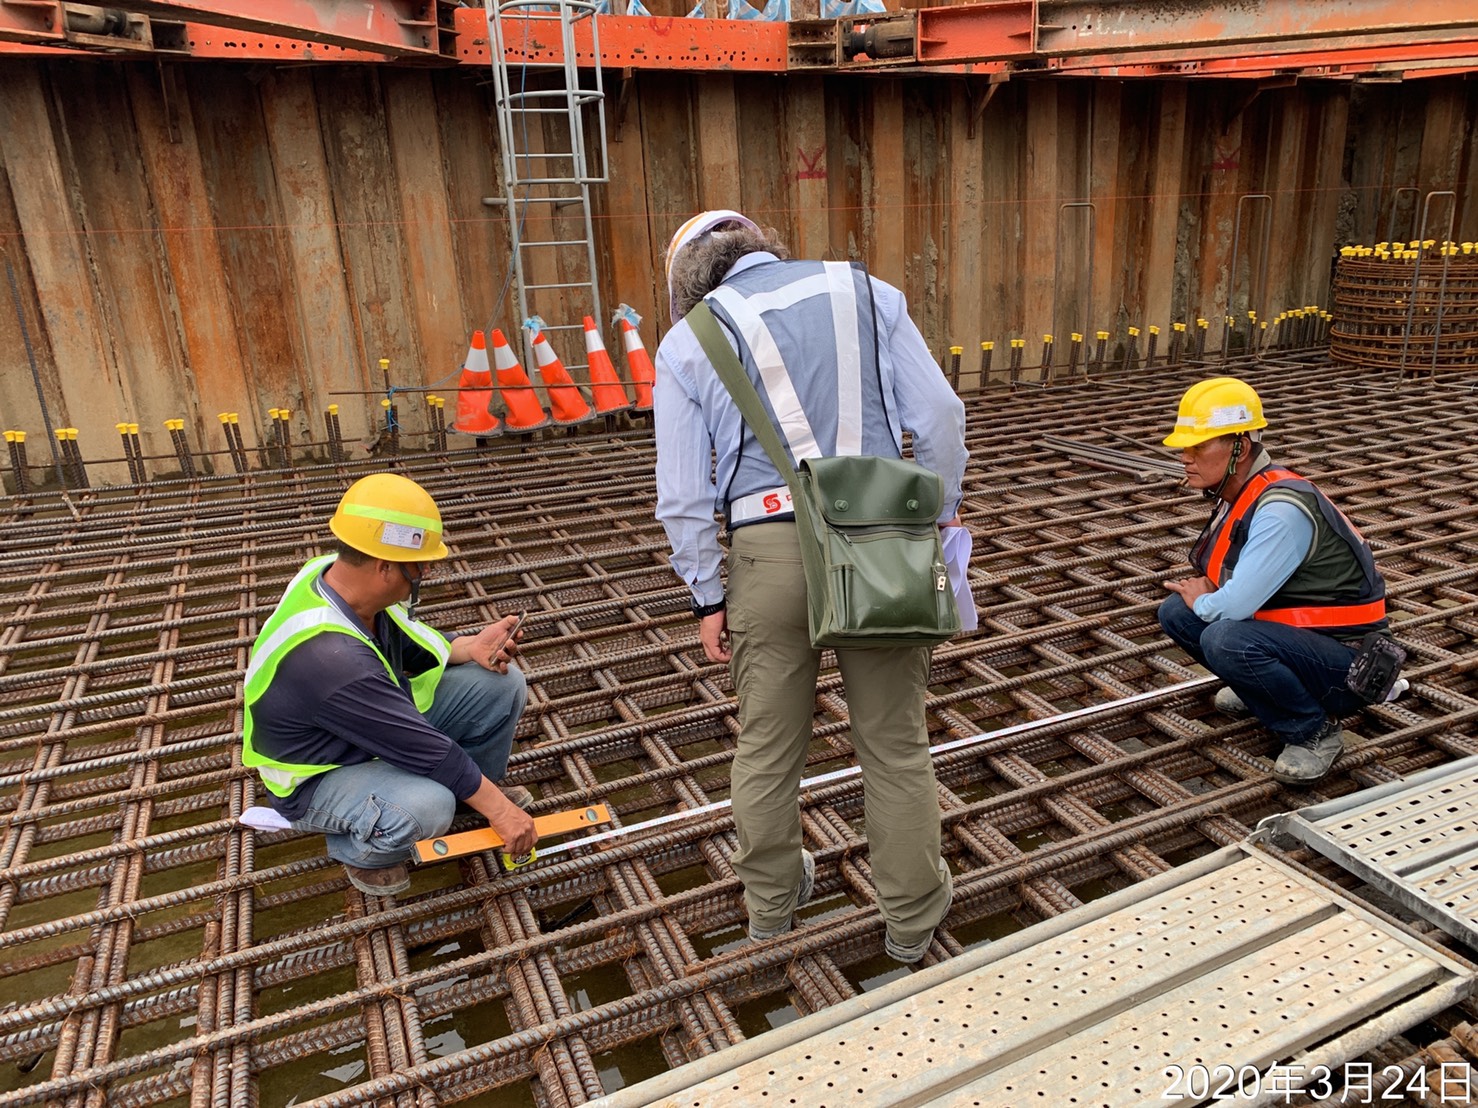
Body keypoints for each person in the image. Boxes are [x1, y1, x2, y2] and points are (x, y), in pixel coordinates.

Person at [653, 209, 968, 963]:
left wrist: (707, 594)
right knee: (893, 744)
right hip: (879, 543)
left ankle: (770, 907)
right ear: (765, 247)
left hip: (766, 554)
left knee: (767, 748)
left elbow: (682, 494)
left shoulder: (687, 340)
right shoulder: (868, 293)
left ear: (688, 282)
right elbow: (941, 417)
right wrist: (942, 513)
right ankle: (911, 918)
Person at [241, 472, 536, 895]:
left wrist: (467, 646)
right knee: (427, 806)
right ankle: (360, 850)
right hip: (318, 774)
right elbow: (427, 749)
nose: (427, 572)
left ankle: (475, 797)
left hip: (363, 727)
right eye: (420, 565)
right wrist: (503, 811)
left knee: (499, 686)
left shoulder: (338, 578)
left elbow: (410, 638)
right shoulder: (330, 659)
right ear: (383, 567)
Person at [1158, 377, 1392, 785]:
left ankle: (1313, 731)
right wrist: (1199, 602)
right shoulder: (1244, 490)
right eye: (1184, 447)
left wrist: (1205, 601)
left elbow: (1230, 609)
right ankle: (1265, 690)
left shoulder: (1280, 511)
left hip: (1351, 667)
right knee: (1177, 612)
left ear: (1239, 448)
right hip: (1308, 644)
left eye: (1198, 447)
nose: (1185, 458)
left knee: (1223, 637)